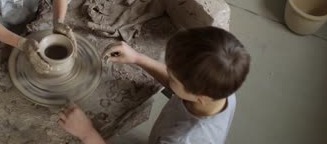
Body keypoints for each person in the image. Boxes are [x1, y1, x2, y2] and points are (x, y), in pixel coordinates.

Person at [58, 26, 251, 144]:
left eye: (173, 78)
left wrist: (87, 133)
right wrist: (138, 58)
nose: (167, 74)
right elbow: (179, 82)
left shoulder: (180, 140)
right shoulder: (222, 89)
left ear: (200, 96)